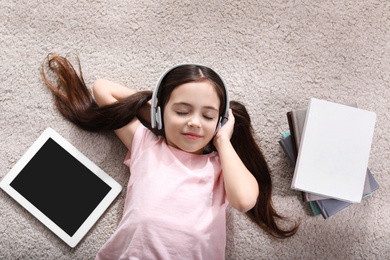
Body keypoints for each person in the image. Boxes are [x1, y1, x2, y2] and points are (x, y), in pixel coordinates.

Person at [42, 54, 299, 259]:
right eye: (183, 111)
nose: (195, 123)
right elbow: (103, 89)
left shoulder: (223, 165)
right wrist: (158, 113)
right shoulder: (146, 143)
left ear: (220, 122)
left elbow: (243, 201)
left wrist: (222, 141)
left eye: (208, 116)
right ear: (160, 111)